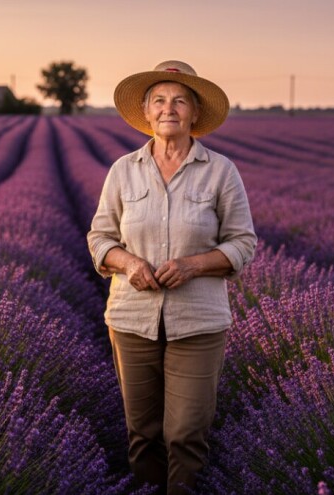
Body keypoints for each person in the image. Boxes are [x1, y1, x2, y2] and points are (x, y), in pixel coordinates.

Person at [87, 60, 257, 494]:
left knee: (185, 434)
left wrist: (192, 265)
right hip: (131, 319)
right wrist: (129, 264)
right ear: (145, 111)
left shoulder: (221, 171)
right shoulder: (123, 170)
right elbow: (100, 237)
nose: (169, 109)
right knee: (142, 435)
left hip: (197, 322)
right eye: (159, 100)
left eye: (180, 100)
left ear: (195, 113)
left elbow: (243, 242)